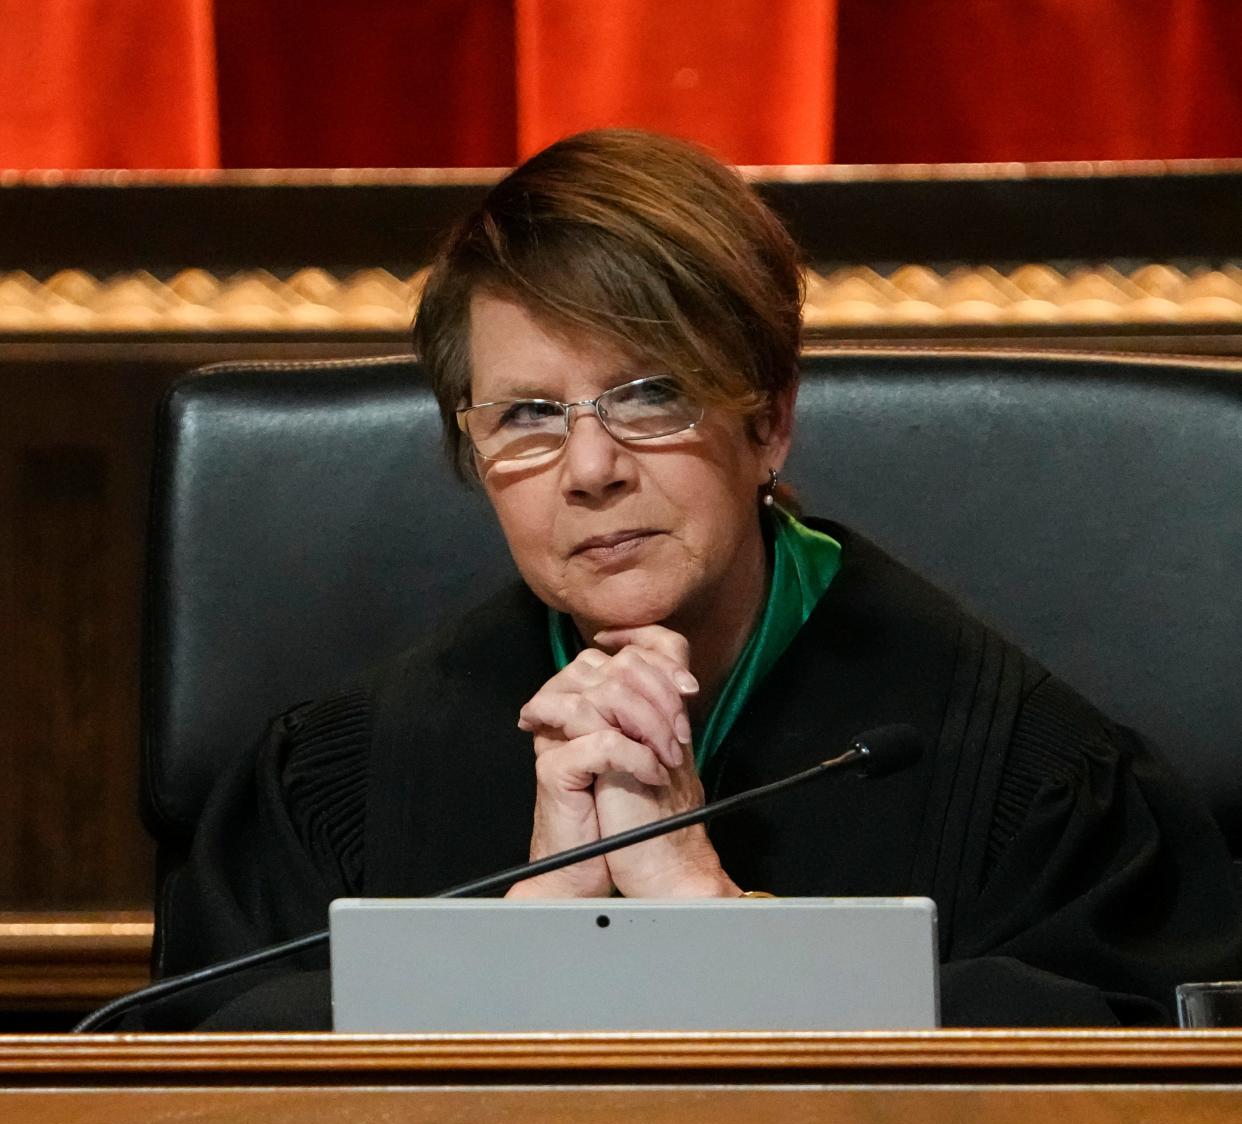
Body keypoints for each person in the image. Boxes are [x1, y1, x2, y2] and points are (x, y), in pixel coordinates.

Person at [151, 128, 1242, 1030]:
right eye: (528, 416)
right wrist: (517, 946)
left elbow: (1139, 1118)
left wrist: (720, 925)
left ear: (766, 420)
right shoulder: (337, 780)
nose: (588, 470)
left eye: (648, 396)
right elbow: (191, 1111)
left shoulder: (1025, 774)